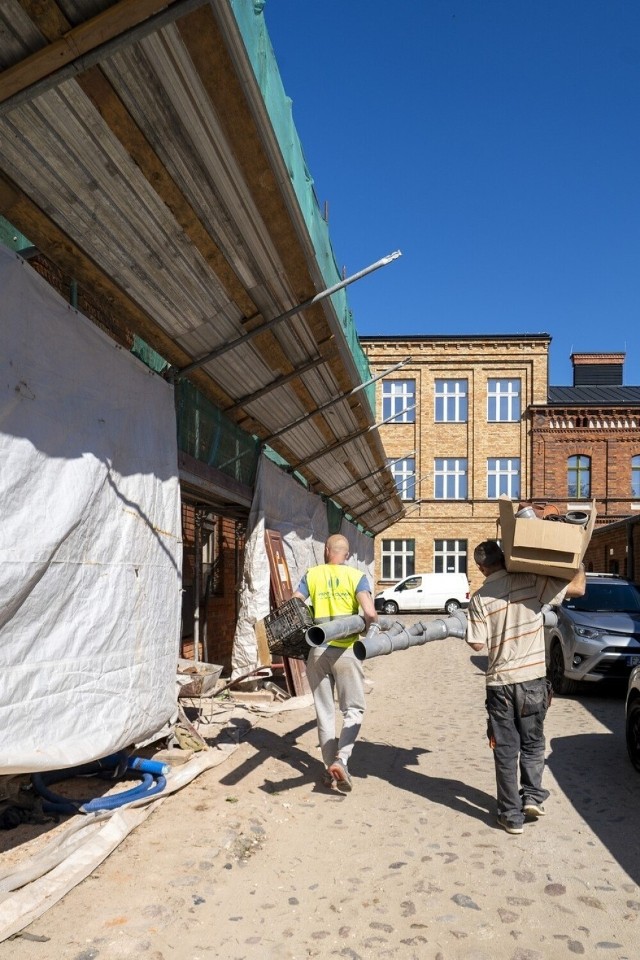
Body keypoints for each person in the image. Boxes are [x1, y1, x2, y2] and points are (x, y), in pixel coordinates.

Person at [466, 541, 586, 835]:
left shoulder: (480, 598)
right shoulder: (531, 581)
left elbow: (477, 643)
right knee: (532, 743)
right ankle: (532, 797)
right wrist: (576, 558)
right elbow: (578, 588)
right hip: (532, 679)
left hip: (500, 683)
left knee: (506, 750)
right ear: (505, 558)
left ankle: (511, 816)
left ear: (482, 568)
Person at [292, 534, 378, 793]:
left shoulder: (312, 574)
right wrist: (367, 629)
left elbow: (294, 602)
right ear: (347, 554)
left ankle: (330, 771)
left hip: (317, 650)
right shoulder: (355, 576)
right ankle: (342, 759)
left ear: (327, 551)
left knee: (324, 711)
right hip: (346, 651)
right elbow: (370, 612)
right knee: (353, 709)